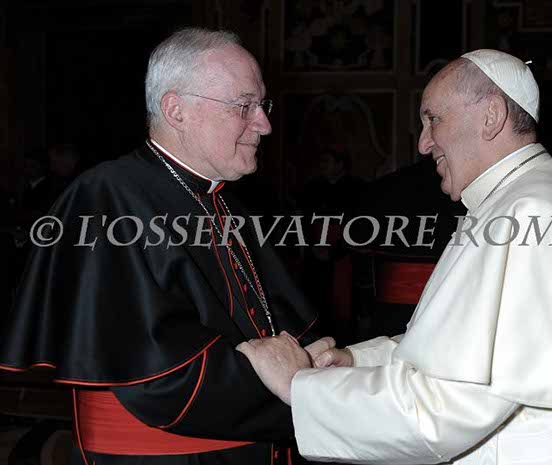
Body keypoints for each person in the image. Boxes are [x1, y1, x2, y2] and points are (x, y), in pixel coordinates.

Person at [236, 50, 552, 465]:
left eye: (434, 119)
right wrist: (357, 361)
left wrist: (303, 386)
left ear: (491, 116)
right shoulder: (526, 195)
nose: (423, 143)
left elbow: (448, 407)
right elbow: (466, 347)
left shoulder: (528, 209)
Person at [0, 28, 332, 465]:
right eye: (244, 106)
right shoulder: (107, 197)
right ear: (176, 110)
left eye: (262, 106)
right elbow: (158, 380)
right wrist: (297, 385)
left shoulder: (223, 202)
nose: (264, 124)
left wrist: (310, 364)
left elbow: (275, 328)